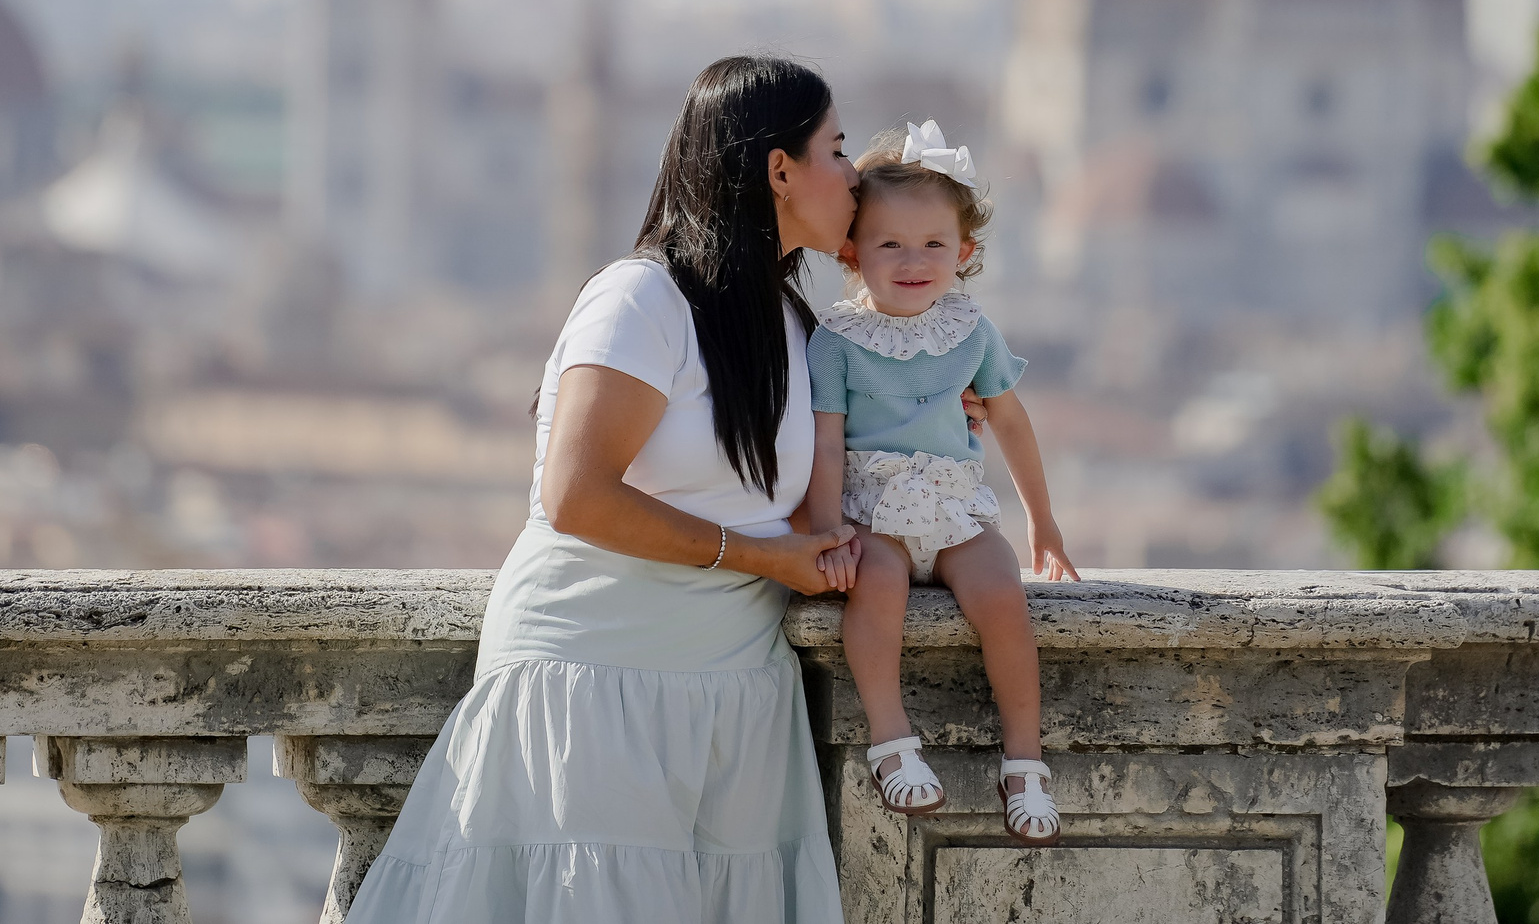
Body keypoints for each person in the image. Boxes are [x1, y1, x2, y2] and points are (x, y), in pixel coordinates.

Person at [346, 55, 860, 923]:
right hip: (594, 679)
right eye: (838, 149)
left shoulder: (792, 325)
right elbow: (575, 494)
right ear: (781, 170)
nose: (854, 174)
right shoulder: (641, 300)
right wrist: (758, 555)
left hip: (735, 695)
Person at [802, 121, 1079, 842]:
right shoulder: (836, 340)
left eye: (933, 243)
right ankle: (892, 740)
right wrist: (829, 530)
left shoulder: (971, 330)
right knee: (879, 584)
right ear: (852, 251)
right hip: (875, 514)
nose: (913, 259)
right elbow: (826, 446)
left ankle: (1024, 760)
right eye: (890, 243)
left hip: (956, 511)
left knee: (1002, 594)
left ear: (965, 252)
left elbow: (1012, 424)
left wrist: (1041, 522)